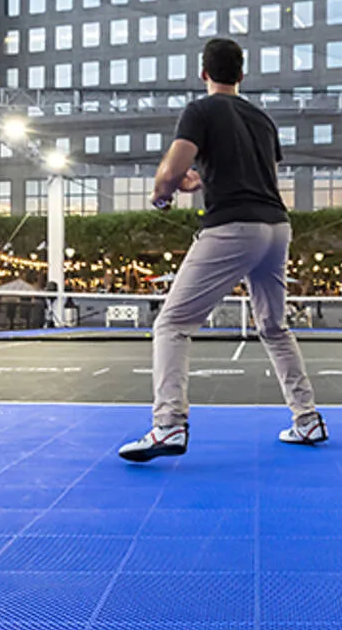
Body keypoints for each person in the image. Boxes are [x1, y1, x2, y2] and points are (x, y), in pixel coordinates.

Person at [119, 39, 325, 462]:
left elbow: (171, 171)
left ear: (203, 73)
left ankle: (168, 426)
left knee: (172, 324)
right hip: (276, 227)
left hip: (234, 226)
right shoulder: (263, 120)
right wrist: (203, 180)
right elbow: (251, 170)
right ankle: (307, 419)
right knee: (273, 326)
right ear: (242, 75)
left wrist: (165, 192)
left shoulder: (201, 110)